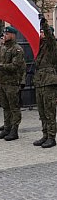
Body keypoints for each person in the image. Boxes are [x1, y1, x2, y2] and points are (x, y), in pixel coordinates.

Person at [0, 26, 26, 141]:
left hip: (12, 83)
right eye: (4, 34)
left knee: (14, 108)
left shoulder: (17, 49)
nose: (5, 35)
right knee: (5, 106)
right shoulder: (3, 47)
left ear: (13, 35)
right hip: (1, 82)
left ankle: (14, 130)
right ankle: (6, 128)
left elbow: (15, 66)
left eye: (7, 34)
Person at [33, 19, 57, 148]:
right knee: (42, 112)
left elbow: (50, 37)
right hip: (40, 82)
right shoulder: (40, 47)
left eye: (42, 32)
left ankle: (52, 137)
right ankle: (45, 134)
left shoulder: (52, 45)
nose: (40, 34)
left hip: (49, 82)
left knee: (49, 112)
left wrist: (44, 25)